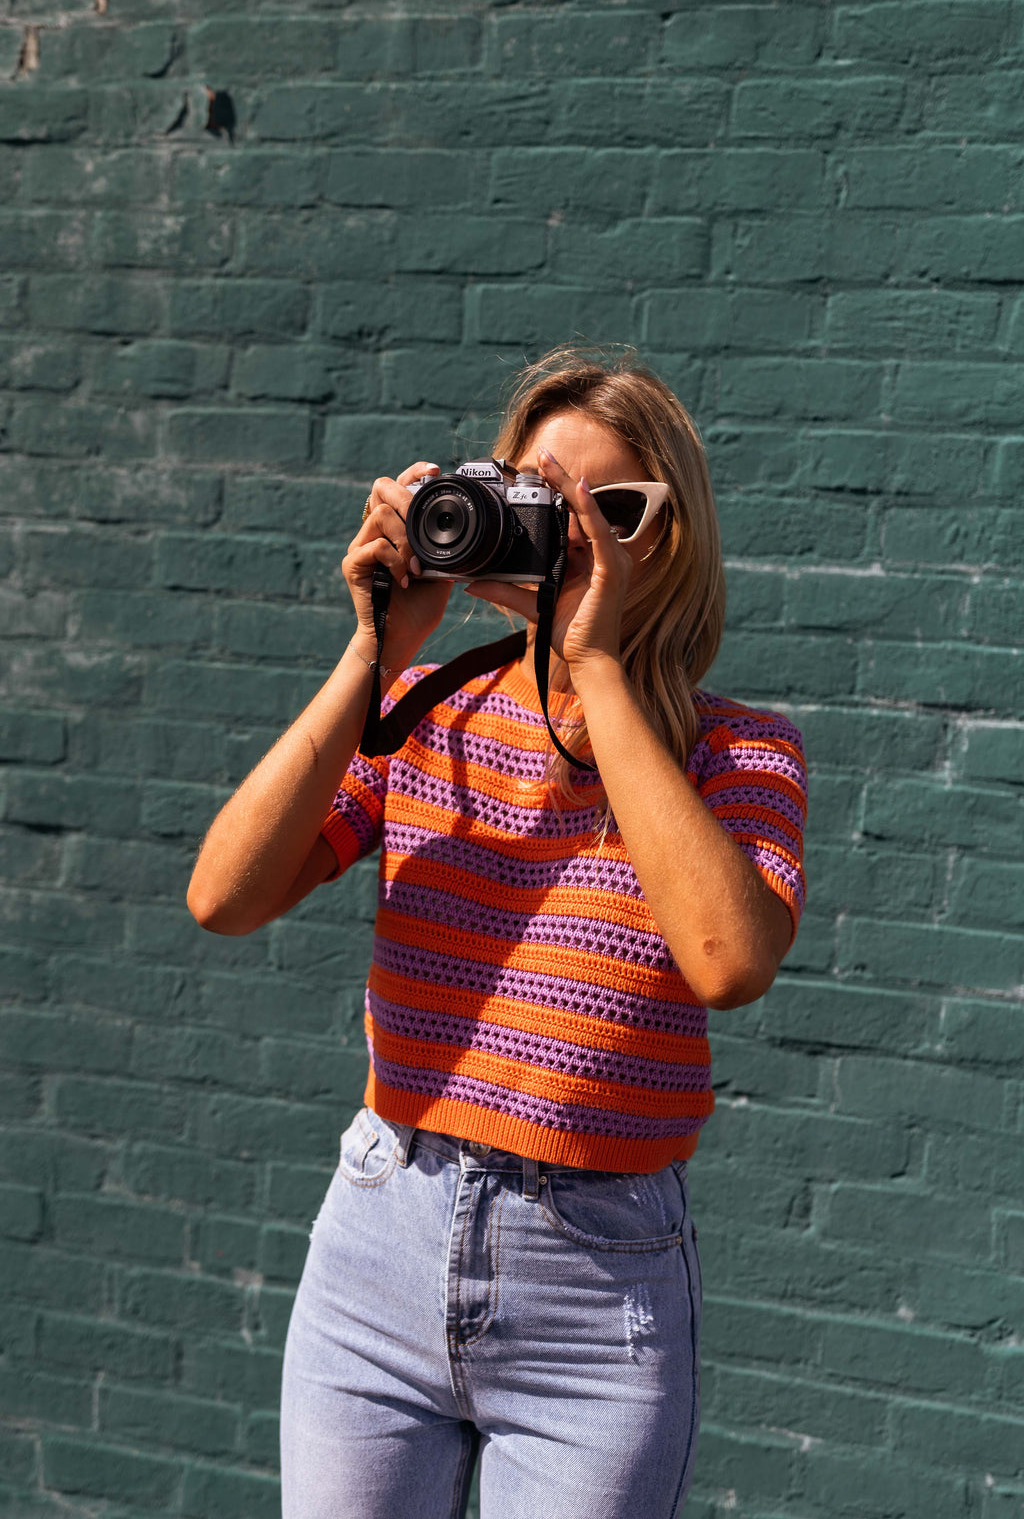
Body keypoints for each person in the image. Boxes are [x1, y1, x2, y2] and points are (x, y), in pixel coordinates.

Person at [187, 344, 808, 1518]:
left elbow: (730, 961)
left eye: (596, 513)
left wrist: (597, 665)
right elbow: (225, 894)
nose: (560, 537)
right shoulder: (430, 719)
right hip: (382, 1239)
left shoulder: (739, 755)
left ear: (661, 538)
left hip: (597, 1286)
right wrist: (376, 652)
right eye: (532, 497)